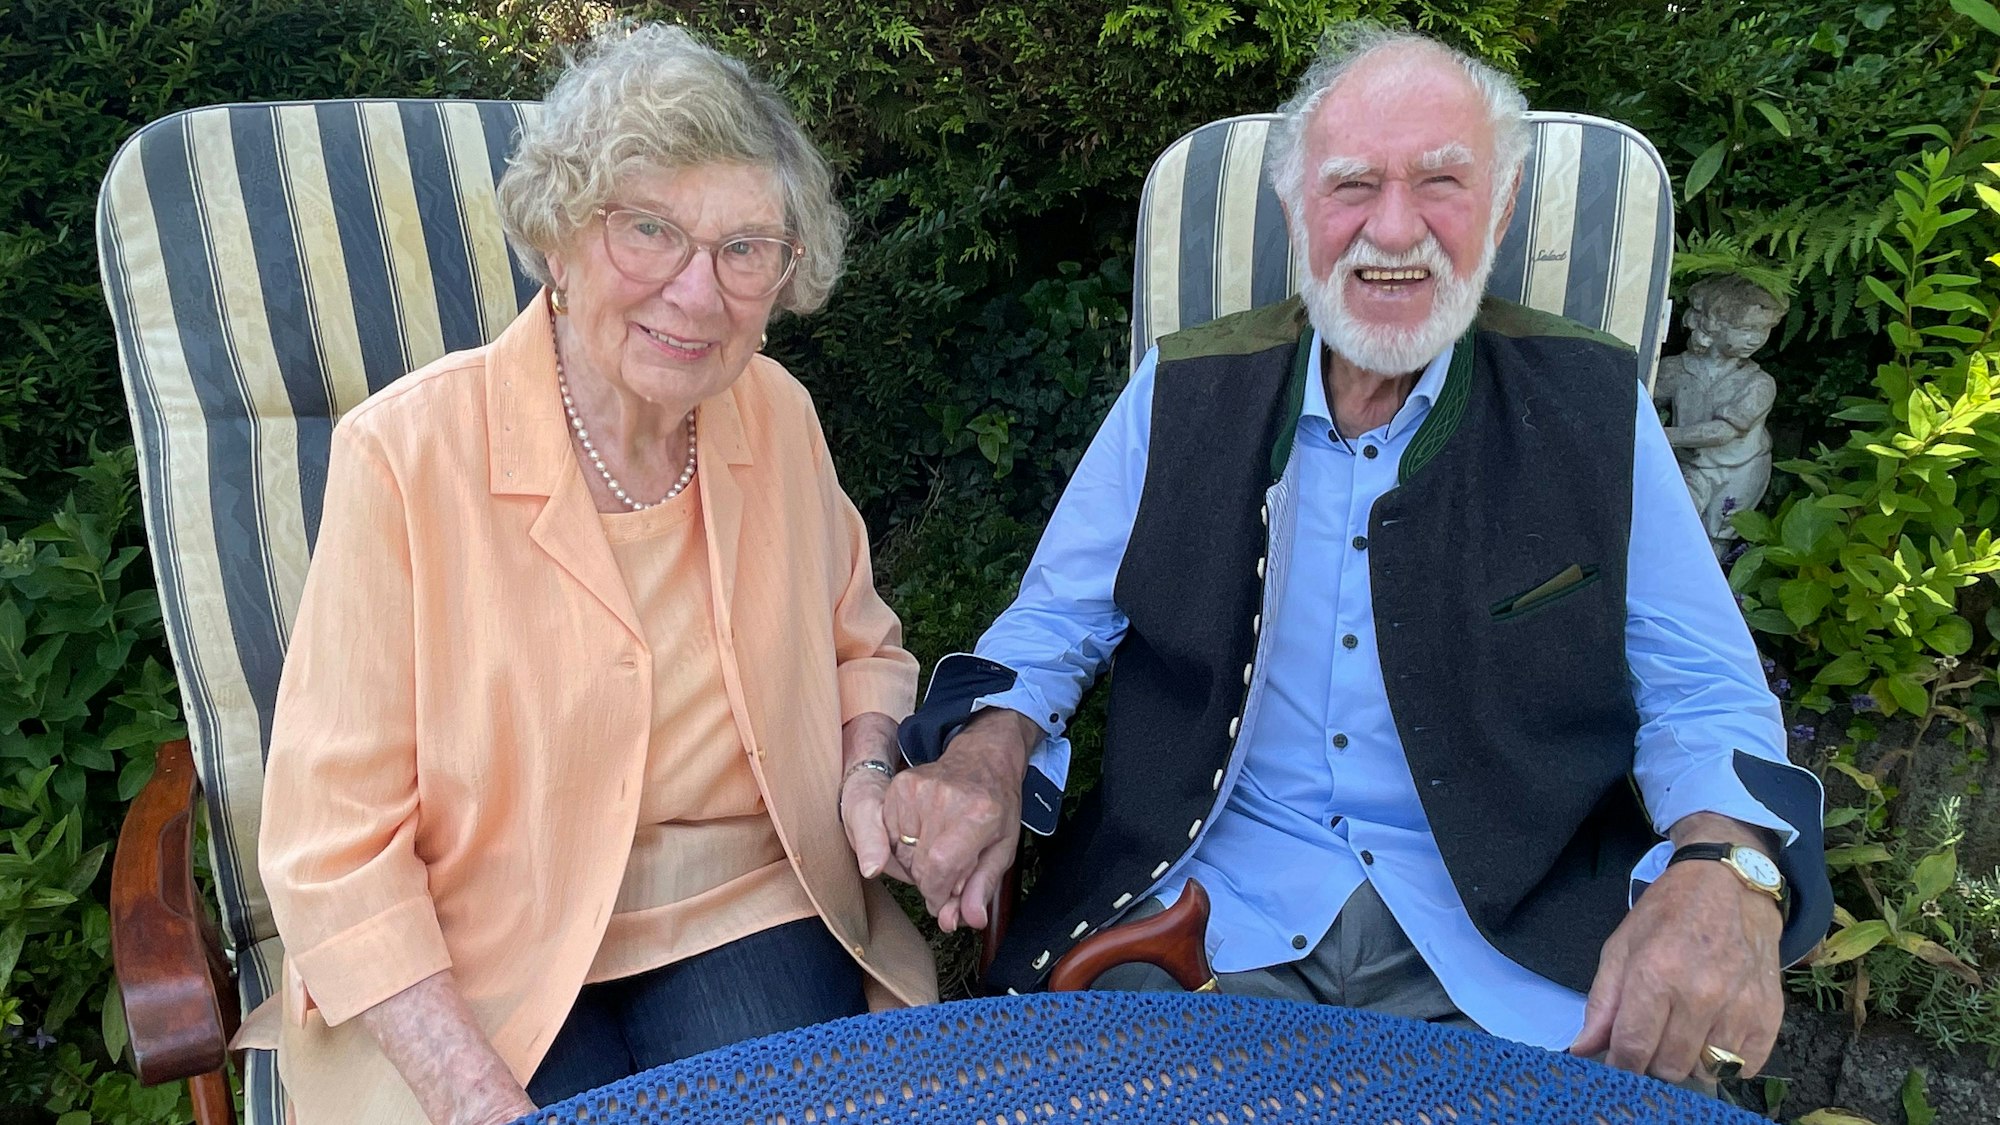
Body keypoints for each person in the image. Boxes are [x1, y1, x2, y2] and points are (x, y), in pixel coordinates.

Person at [879, 24, 1830, 1090]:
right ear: (1297, 210)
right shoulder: (1182, 387)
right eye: (1350, 185)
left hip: (1511, 945)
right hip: (1200, 925)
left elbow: (1700, 683)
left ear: (1499, 208)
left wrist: (1722, 868)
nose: (1393, 228)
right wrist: (985, 749)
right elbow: (1055, 622)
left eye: (1440, 182)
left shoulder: (1592, 407)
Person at [253, 25, 935, 1125]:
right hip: (481, 936)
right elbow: (331, 848)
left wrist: (863, 778)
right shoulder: (405, 457)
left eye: (744, 248)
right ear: (559, 242)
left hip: (739, 905)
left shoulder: (776, 416)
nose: (698, 293)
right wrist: (477, 1099)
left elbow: (861, 648)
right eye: (649, 231)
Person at [1652, 275, 1788, 556]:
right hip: (1691, 465)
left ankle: (1698, 594)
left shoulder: (1758, 384)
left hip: (1739, 472)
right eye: (1746, 328)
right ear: (1713, 324)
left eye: (1763, 330)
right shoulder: (1675, 370)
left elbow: (1723, 432)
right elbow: (1639, 400)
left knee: (1713, 543)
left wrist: (1657, 436)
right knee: (1667, 524)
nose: (1756, 338)